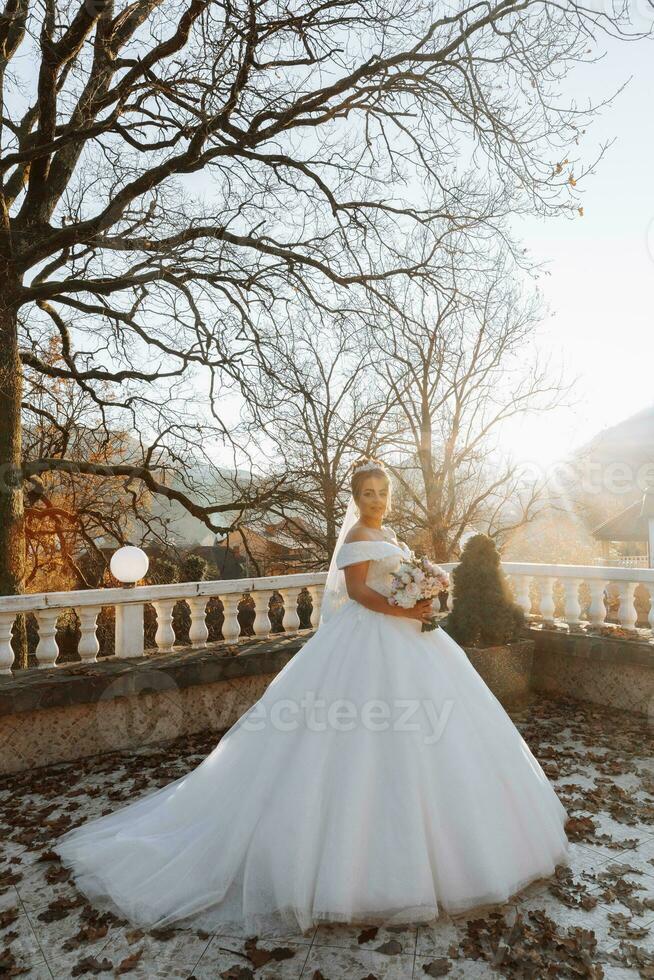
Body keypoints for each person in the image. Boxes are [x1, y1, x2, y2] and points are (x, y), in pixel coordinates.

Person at [53, 457, 571, 937]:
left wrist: (427, 593)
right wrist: (410, 608)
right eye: (367, 493)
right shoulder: (354, 540)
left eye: (381, 492)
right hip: (370, 639)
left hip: (411, 641)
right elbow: (364, 595)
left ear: (390, 495)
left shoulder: (389, 533)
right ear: (356, 497)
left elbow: (395, 585)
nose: (375, 500)